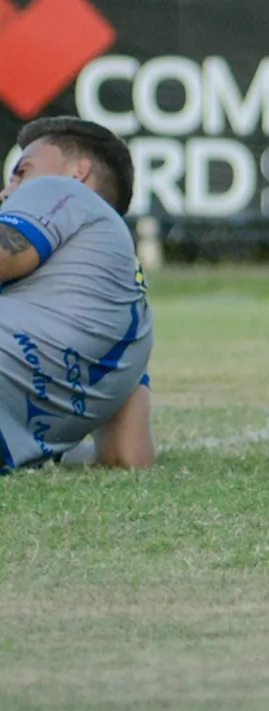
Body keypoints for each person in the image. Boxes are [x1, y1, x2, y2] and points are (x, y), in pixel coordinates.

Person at [0, 116, 155, 473]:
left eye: (22, 172)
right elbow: (128, 456)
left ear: (78, 173)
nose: (8, 191)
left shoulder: (59, 190)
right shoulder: (138, 328)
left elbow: (6, 251)